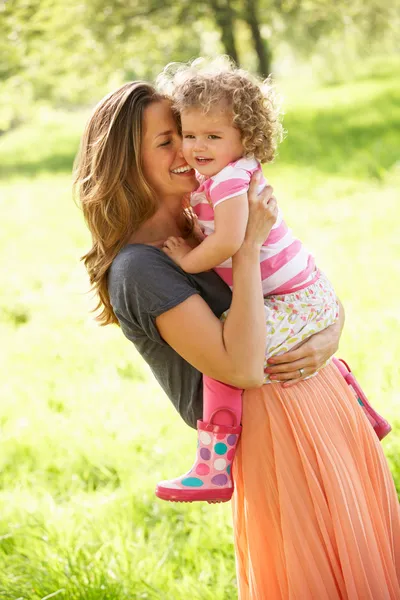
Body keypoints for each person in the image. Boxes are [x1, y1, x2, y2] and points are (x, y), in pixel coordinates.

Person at [74, 80, 400, 599]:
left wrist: (333, 329)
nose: (187, 149)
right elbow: (243, 368)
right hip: (280, 439)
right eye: (167, 141)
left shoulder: (203, 214)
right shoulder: (140, 267)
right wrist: (245, 247)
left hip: (327, 410)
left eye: (184, 132)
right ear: (125, 162)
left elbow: (293, 283)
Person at [154, 58, 342, 503]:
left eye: (213, 137)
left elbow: (231, 242)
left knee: (225, 359)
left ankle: (213, 468)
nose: (197, 146)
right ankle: (357, 404)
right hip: (302, 287)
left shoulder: (229, 182)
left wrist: (186, 262)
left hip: (292, 298)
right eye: (190, 134)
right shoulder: (225, 172)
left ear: (246, 138)